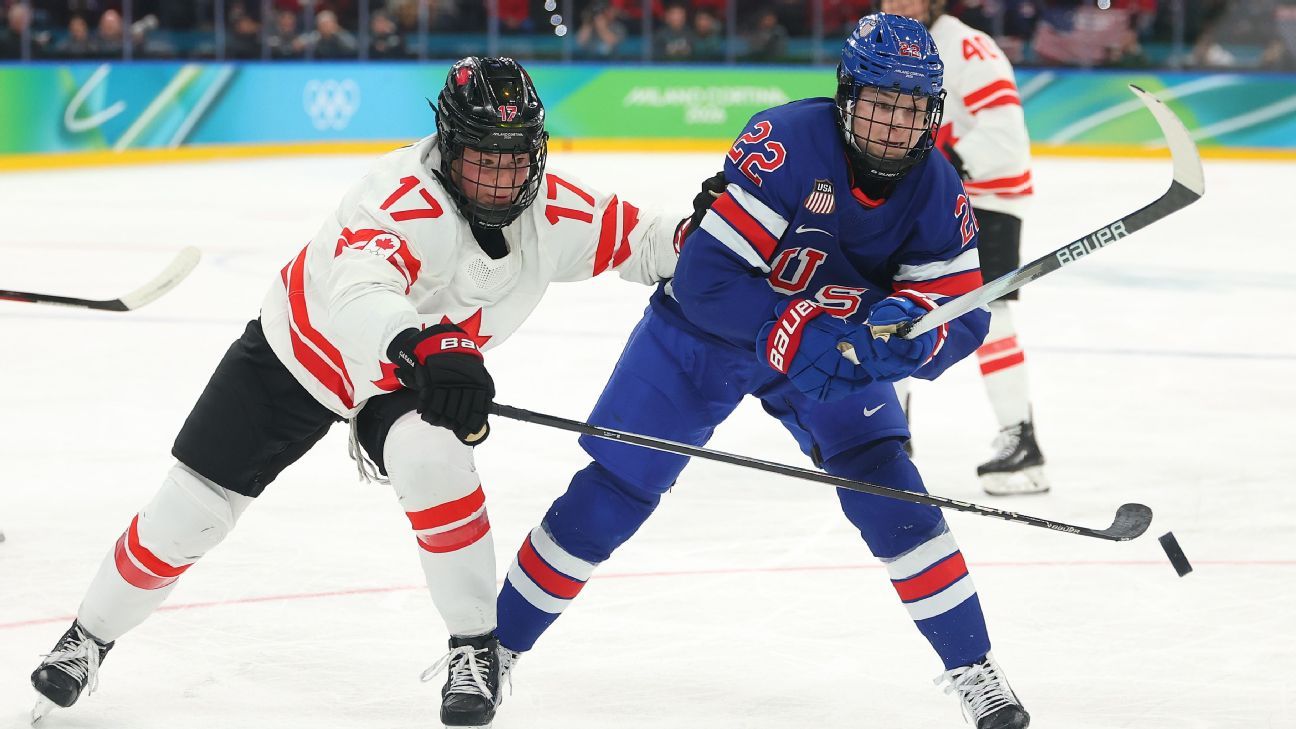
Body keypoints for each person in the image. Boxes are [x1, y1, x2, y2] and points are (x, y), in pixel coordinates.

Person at [28, 56, 683, 729]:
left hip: (403, 379)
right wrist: (423, 344)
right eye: (482, 157)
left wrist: (707, 238)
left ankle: (473, 647)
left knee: (436, 462)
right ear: (448, 145)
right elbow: (360, 290)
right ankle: (86, 636)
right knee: (191, 509)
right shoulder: (399, 194)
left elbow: (641, 237)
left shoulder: (551, 211)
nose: (500, 177)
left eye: (515, 158)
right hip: (302, 355)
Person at [494, 13, 1029, 729]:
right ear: (846, 96)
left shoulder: (936, 189)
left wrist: (903, 342)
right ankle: (494, 649)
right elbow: (708, 278)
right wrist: (794, 327)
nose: (895, 126)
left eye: (912, 109)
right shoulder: (786, 143)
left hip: (830, 351)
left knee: (893, 492)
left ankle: (974, 668)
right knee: (616, 487)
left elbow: (960, 316)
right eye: (880, 104)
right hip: (706, 336)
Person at [881, 0, 1048, 495]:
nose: (898, 5)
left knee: (990, 315)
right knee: (894, 303)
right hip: (930, 197)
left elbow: (1005, 133)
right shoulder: (893, 46)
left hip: (987, 200)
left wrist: (941, 169)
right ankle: (888, 435)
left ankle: (1023, 444)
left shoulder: (967, 46)